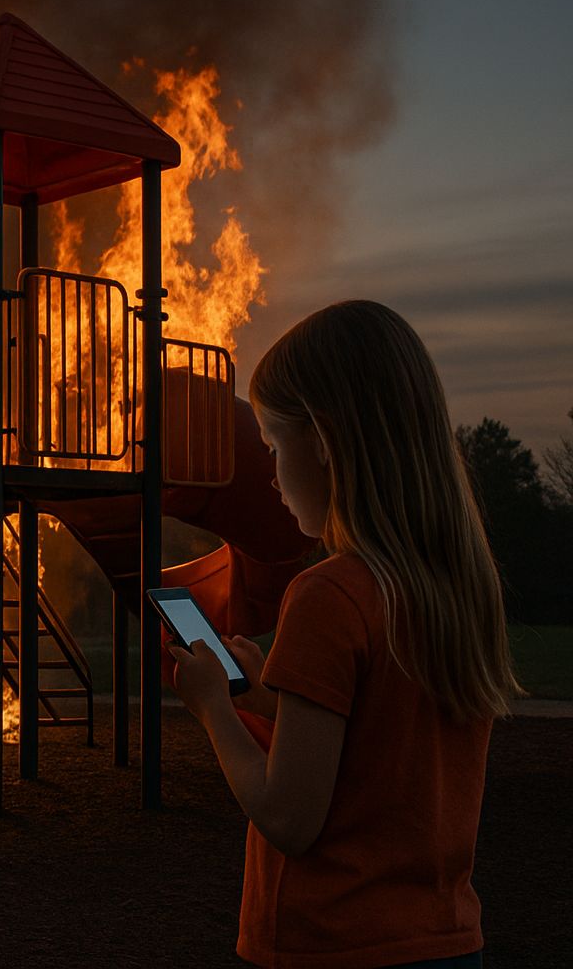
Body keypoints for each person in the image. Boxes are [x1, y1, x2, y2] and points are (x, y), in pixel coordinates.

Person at [168, 301, 521, 969]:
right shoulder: (456, 589)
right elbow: (384, 738)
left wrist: (213, 707)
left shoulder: (328, 595)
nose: (270, 474)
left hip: (333, 947)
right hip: (444, 942)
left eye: (274, 446)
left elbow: (289, 818)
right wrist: (266, 698)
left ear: (324, 442)